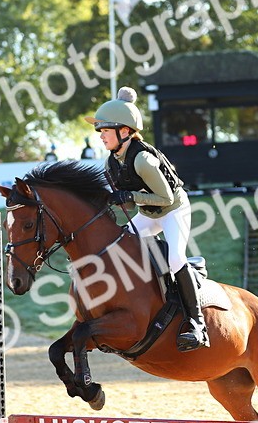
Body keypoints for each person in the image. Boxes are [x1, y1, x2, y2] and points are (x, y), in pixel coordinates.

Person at [85, 87, 208, 351]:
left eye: (106, 130)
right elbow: (129, 198)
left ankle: (198, 325)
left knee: (175, 258)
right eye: (101, 131)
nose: (101, 135)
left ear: (125, 131)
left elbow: (164, 199)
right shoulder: (112, 162)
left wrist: (129, 195)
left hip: (173, 210)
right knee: (117, 249)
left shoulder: (143, 159)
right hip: (148, 214)